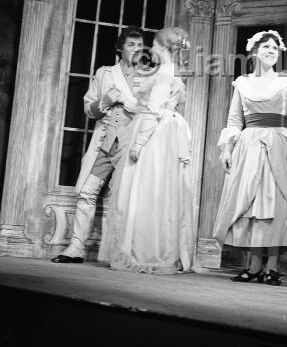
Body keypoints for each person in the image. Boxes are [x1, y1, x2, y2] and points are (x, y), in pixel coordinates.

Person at [212, 30, 287, 286]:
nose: (270, 51)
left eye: (275, 48)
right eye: (265, 47)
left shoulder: (286, 83)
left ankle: (272, 266)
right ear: (255, 51)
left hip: (278, 144)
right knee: (253, 204)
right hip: (249, 146)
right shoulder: (242, 84)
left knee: (277, 204)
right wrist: (227, 148)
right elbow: (234, 120)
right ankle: (254, 264)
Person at [99, 27, 194, 274]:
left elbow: (152, 110)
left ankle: (144, 251)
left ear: (162, 48)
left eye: (154, 45)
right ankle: (156, 248)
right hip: (164, 136)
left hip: (154, 136)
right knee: (158, 193)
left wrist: (138, 144)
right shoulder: (174, 71)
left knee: (143, 193)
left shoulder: (163, 73)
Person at [51, 26, 144, 263]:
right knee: (86, 192)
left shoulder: (148, 76)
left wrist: (129, 103)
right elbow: (88, 109)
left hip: (133, 146)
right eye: (131, 44)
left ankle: (124, 253)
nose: (136, 49)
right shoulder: (105, 74)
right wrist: (103, 102)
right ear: (120, 48)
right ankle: (76, 248)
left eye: (139, 44)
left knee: (127, 199)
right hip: (106, 142)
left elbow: (153, 112)